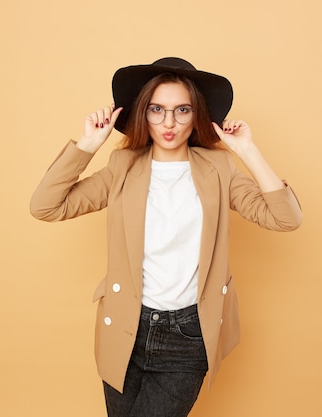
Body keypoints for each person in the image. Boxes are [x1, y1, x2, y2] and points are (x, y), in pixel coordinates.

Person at [30, 57, 302, 417]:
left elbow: (286, 219)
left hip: (188, 334)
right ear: (143, 114)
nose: (169, 123)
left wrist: (247, 151)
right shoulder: (121, 167)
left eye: (182, 110)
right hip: (127, 328)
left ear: (197, 115)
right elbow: (45, 207)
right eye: (157, 109)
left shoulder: (219, 169)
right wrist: (88, 144)